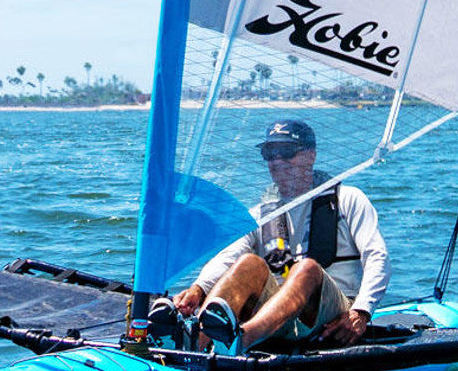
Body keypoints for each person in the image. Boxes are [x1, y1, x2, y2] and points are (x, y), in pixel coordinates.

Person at [160, 119, 390, 354]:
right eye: (270, 153)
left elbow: (377, 257)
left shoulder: (349, 199)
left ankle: (242, 340)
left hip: (334, 315)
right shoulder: (261, 214)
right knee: (248, 263)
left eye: (287, 152)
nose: (277, 161)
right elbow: (228, 256)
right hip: (277, 315)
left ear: (310, 156)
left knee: (306, 268)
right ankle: (195, 342)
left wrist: (362, 311)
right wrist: (198, 289)